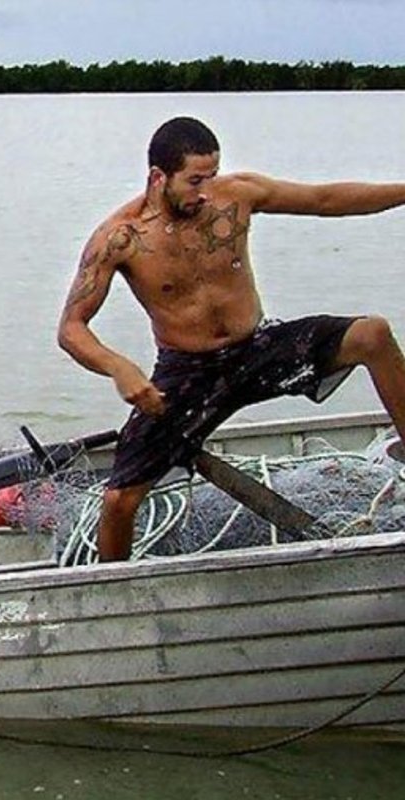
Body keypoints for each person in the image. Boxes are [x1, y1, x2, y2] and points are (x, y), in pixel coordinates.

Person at [57, 115, 405, 562]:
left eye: (212, 175)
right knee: (119, 501)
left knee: (371, 334)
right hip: (187, 372)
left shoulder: (237, 195)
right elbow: (71, 328)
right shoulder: (120, 238)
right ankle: (112, 588)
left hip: (257, 348)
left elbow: (324, 199)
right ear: (158, 177)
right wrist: (119, 368)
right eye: (194, 180)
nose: (205, 191)